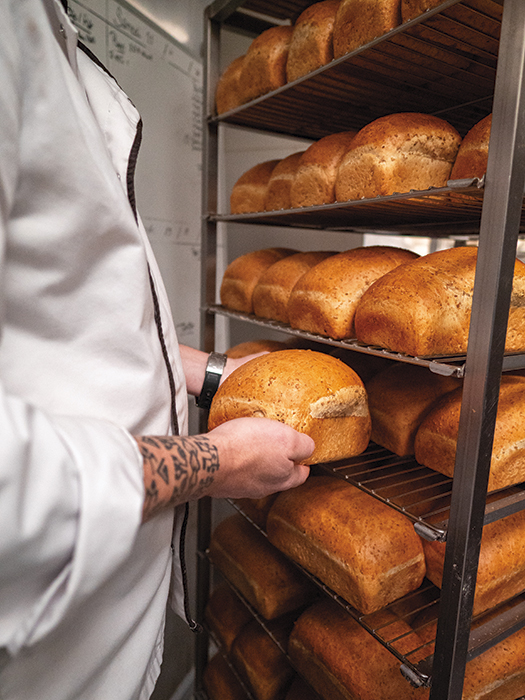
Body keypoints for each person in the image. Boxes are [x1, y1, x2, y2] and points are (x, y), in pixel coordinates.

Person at [0, 1, 313, 699]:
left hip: (105, 628)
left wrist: (211, 373)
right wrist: (217, 460)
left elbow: (65, 321)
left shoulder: (49, 30)